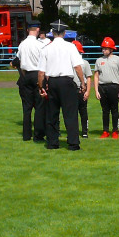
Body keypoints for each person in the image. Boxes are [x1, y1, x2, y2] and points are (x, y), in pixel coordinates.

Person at [38, 21, 85, 150]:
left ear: (52, 33)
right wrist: (82, 82)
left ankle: (52, 142)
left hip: (52, 82)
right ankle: (73, 143)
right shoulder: (70, 47)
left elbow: (41, 72)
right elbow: (77, 67)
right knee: (70, 113)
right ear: (64, 33)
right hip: (67, 82)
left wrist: (41, 87)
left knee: (52, 114)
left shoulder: (46, 48)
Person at [15, 23, 46, 142]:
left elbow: (19, 61)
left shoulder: (22, 44)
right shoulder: (40, 45)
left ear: (28, 30)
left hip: (25, 75)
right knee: (39, 106)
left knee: (26, 108)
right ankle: (38, 135)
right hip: (37, 74)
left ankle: (26, 135)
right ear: (38, 30)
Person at [94, 37, 119, 139]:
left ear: (111, 49)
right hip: (102, 87)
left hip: (114, 86)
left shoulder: (118, 60)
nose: (104, 50)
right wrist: (96, 90)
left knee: (114, 110)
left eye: (106, 48)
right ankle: (105, 130)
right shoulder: (99, 60)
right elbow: (96, 76)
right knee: (105, 110)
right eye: (103, 48)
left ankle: (115, 130)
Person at [72, 40, 91, 138]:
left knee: (83, 111)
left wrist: (87, 91)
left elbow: (88, 77)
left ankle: (84, 131)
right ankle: (74, 130)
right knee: (72, 112)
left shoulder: (85, 63)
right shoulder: (68, 63)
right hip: (72, 90)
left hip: (82, 90)